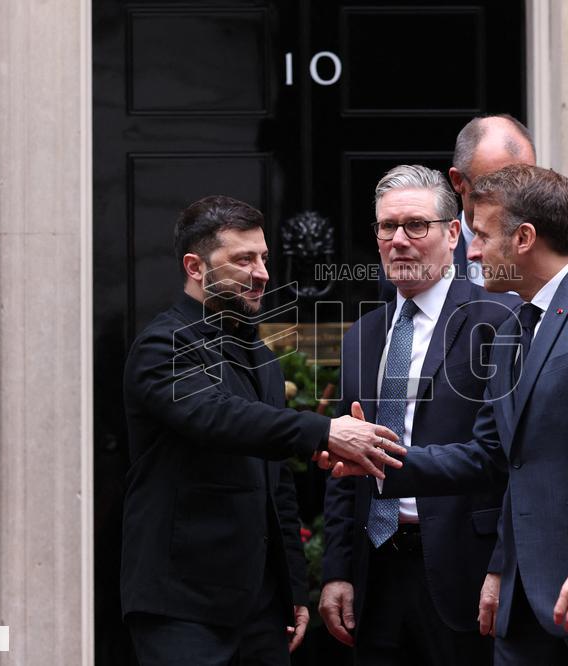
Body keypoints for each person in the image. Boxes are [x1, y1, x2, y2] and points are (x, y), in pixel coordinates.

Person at [328, 165, 568, 665]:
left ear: (523, 238)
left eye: (481, 236)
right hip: (522, 602)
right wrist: (377, 460)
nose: (472, 252)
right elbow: (493, 457)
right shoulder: (513, 328)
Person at [120, 195, 405, 666]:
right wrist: (325, 431)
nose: (263, 273)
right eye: (243, 259)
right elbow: (217, 417)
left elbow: (277, 485)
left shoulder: (262, 359)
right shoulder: (162, 345)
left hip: (261, 608)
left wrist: (292, 587)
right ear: (195, 267)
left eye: (264, 258)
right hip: (181, 604)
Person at [321, 165, 517, 665]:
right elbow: (345, 466)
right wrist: (338, 570)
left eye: (415, 225)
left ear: (452, 234)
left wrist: (504, 566)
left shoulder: (498, 322)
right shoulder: (362, 335)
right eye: (387, 227)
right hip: (376, 575)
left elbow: (512, 461)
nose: (399, 241)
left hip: (465, 571)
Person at [377, 114, 568, 301]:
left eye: (525, 180)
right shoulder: (410, 259)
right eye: (491, 187)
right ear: (458, 181)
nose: (514, 197)